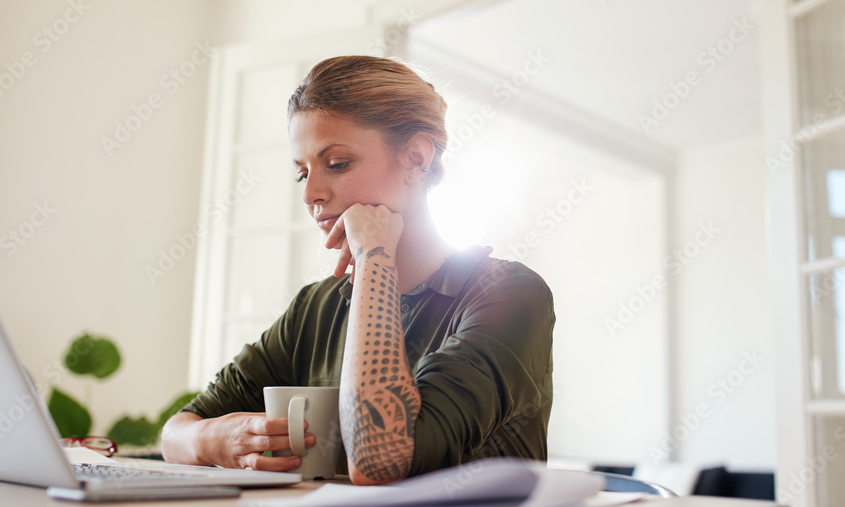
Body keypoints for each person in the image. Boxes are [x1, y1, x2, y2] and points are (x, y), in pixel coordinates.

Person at [161, 55, 555, 485]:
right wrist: (217, 438)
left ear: (415, 159)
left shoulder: (511, 295)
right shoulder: (318, 306)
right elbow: (175, 433)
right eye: (302, 174)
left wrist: (374, 255)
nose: (312, 193)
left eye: (337, 164)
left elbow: (379, 460)